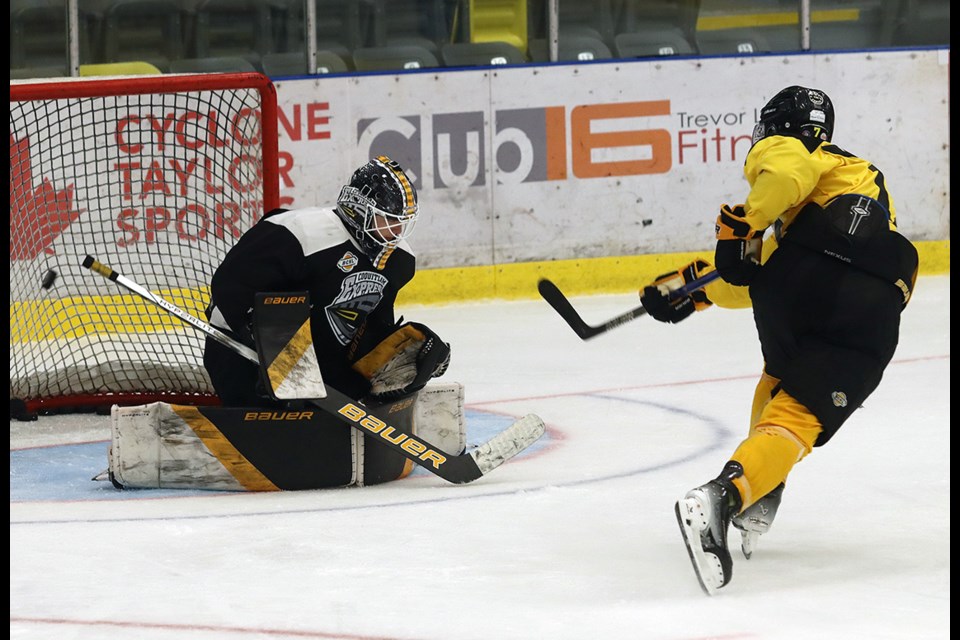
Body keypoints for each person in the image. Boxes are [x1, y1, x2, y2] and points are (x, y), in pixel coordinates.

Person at [639, 86, 919, 595]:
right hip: (865, 296)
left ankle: (757, 480)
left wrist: (698, 284)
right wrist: (715, 262)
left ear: (777, 123)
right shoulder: (834, 166)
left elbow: (768, 269)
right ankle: (727, 495)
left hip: (798, 290)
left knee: (785, 380)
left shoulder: (799, 160)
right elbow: (791, 186)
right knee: (800, 416)